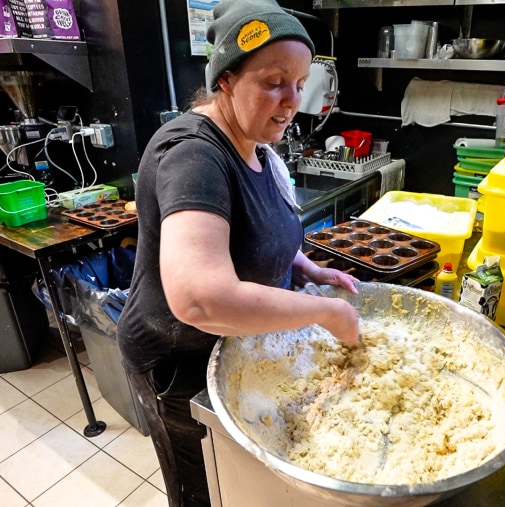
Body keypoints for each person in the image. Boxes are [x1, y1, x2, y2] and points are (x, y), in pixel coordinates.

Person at [116, 1, 360, 505]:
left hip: (234, 347)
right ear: (225, 80)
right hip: (178, 362)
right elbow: (200, 300)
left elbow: (254, 231)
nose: (292, 101)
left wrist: (306, 266)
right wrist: (329, 313)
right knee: (204, 490)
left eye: (299, 82)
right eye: (273, 82)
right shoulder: (192, 154)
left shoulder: (257, 142)